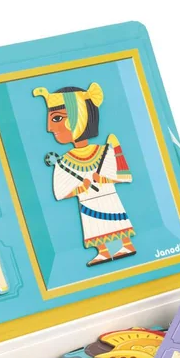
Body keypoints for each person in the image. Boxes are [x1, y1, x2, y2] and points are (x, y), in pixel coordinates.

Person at [33, 82, 136, 266]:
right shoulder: (63, 161)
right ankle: (103, 251)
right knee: (94, 226)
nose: (49, 128)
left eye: (56, 118)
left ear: (78, 116)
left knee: (116, 220)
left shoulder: (104, 151)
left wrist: (103, 178)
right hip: (87, 201)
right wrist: (81, 187)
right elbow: (61, 191)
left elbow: (121, 173)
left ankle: (126, 245)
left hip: (108, 197)